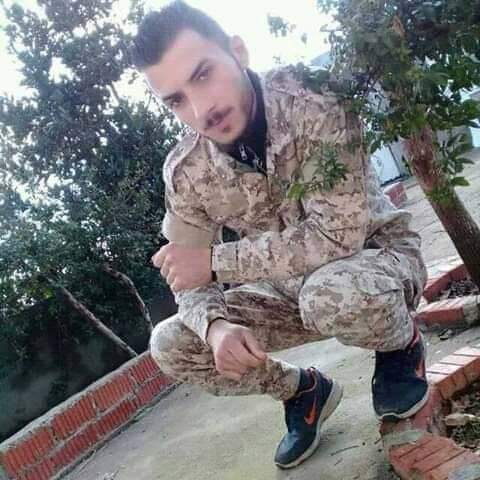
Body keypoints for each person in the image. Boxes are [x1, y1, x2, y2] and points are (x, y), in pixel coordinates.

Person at [131, 0, 429, 469]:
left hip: (373, 265)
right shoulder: (187, 172)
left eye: (204, 74)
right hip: (286, 294)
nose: (201, 109)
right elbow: (186, 273)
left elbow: (337, 235)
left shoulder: (313, 100)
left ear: (237, 52)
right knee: (172, 343)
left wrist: (216, 261)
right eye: (176, 100)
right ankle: (302, 391)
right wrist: (215, 327)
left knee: (331, 295)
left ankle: (400, 344)